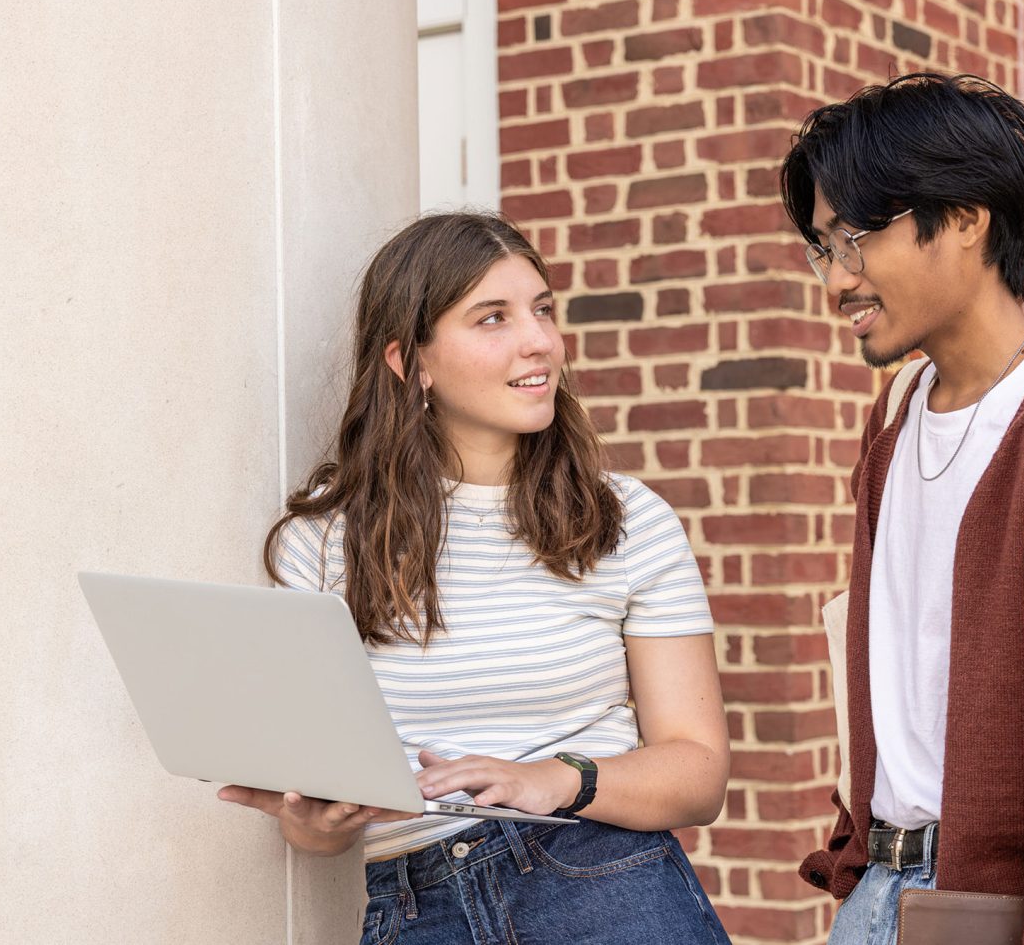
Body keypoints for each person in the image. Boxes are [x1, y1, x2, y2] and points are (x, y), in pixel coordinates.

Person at [218, 212, 732, 945]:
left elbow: (698, 769)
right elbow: (322, 835)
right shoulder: (323, 542)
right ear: (409, 362)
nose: (540, 342)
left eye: (543, 310)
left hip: (605, 887)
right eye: (493, 317)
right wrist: (314, 820)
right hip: (414, 905)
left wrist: (554, 779)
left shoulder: (628, 520)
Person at [781, 73, 1024, 944]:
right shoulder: (893, 415)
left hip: (991, 916)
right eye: (822, 248)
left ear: (965, 217)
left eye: (856, 239)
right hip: (876, 896)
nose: (837, 281)